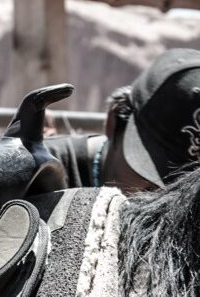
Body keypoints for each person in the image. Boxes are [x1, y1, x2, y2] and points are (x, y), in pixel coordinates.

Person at [44, 47, 200, 191]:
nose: (161, 200)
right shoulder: (42, 176)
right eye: (151, 177)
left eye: (181, 188)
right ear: (114, 121)